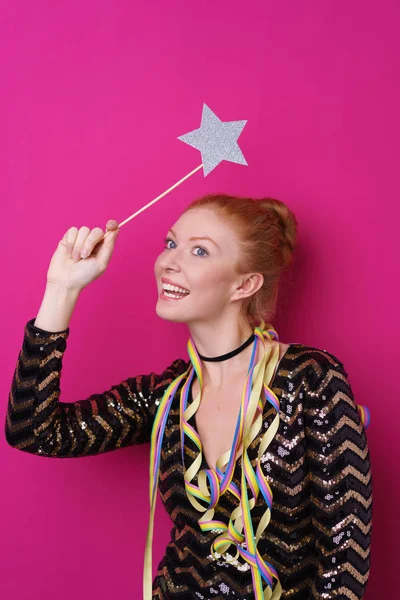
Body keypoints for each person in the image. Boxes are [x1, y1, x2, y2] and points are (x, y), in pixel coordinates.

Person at [5, 193, 373, 600]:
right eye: (170, 243)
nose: (169, 262)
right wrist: (61, 290)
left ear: (244, 284)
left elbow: (345, 552)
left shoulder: (310, 377)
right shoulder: (166, 396)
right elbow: (34, 431)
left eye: (199, 251)